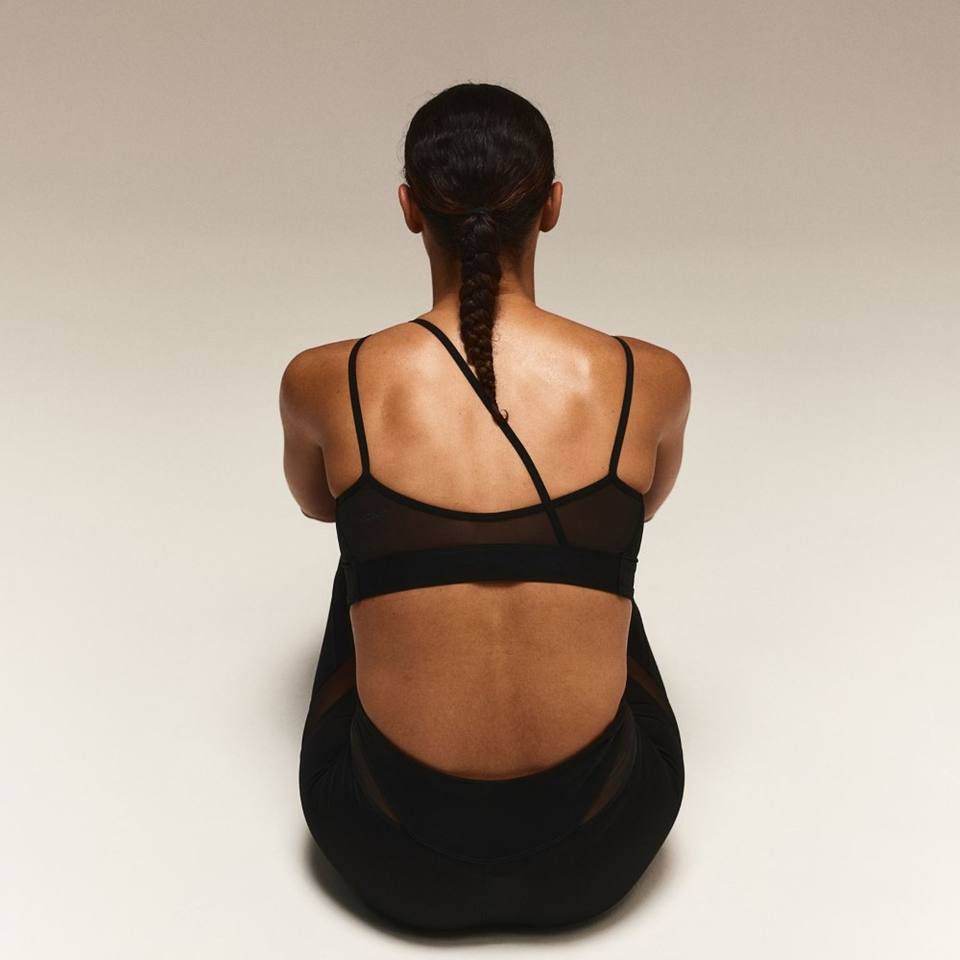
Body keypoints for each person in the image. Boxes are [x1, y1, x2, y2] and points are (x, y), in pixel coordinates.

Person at [279, 82, 691, 933]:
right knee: (599, 549)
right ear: (552, 206)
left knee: (366, 546)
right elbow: (645, 510)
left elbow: (317, 506)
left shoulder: (325, 379)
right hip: (602, 847)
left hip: (388, 851)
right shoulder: (649, 378)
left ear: (409, 209)